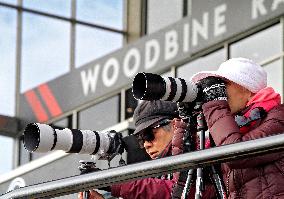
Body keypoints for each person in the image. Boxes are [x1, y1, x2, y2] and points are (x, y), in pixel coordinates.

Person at [190, 57, 284, 198]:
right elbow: (190, 180)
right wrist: (186, 121)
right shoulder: (235, 126)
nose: (218, 92)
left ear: (248, 89)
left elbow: (234, 154)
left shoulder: (278, 116)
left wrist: (215, 106)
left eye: (223, 85)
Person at [79, 100, 196, 199]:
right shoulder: (162, 171)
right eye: (141, 139)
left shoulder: (203, 149)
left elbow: (181, 191)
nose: (146, 144)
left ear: (175, 125)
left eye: (149, 135)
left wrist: (109, 181)